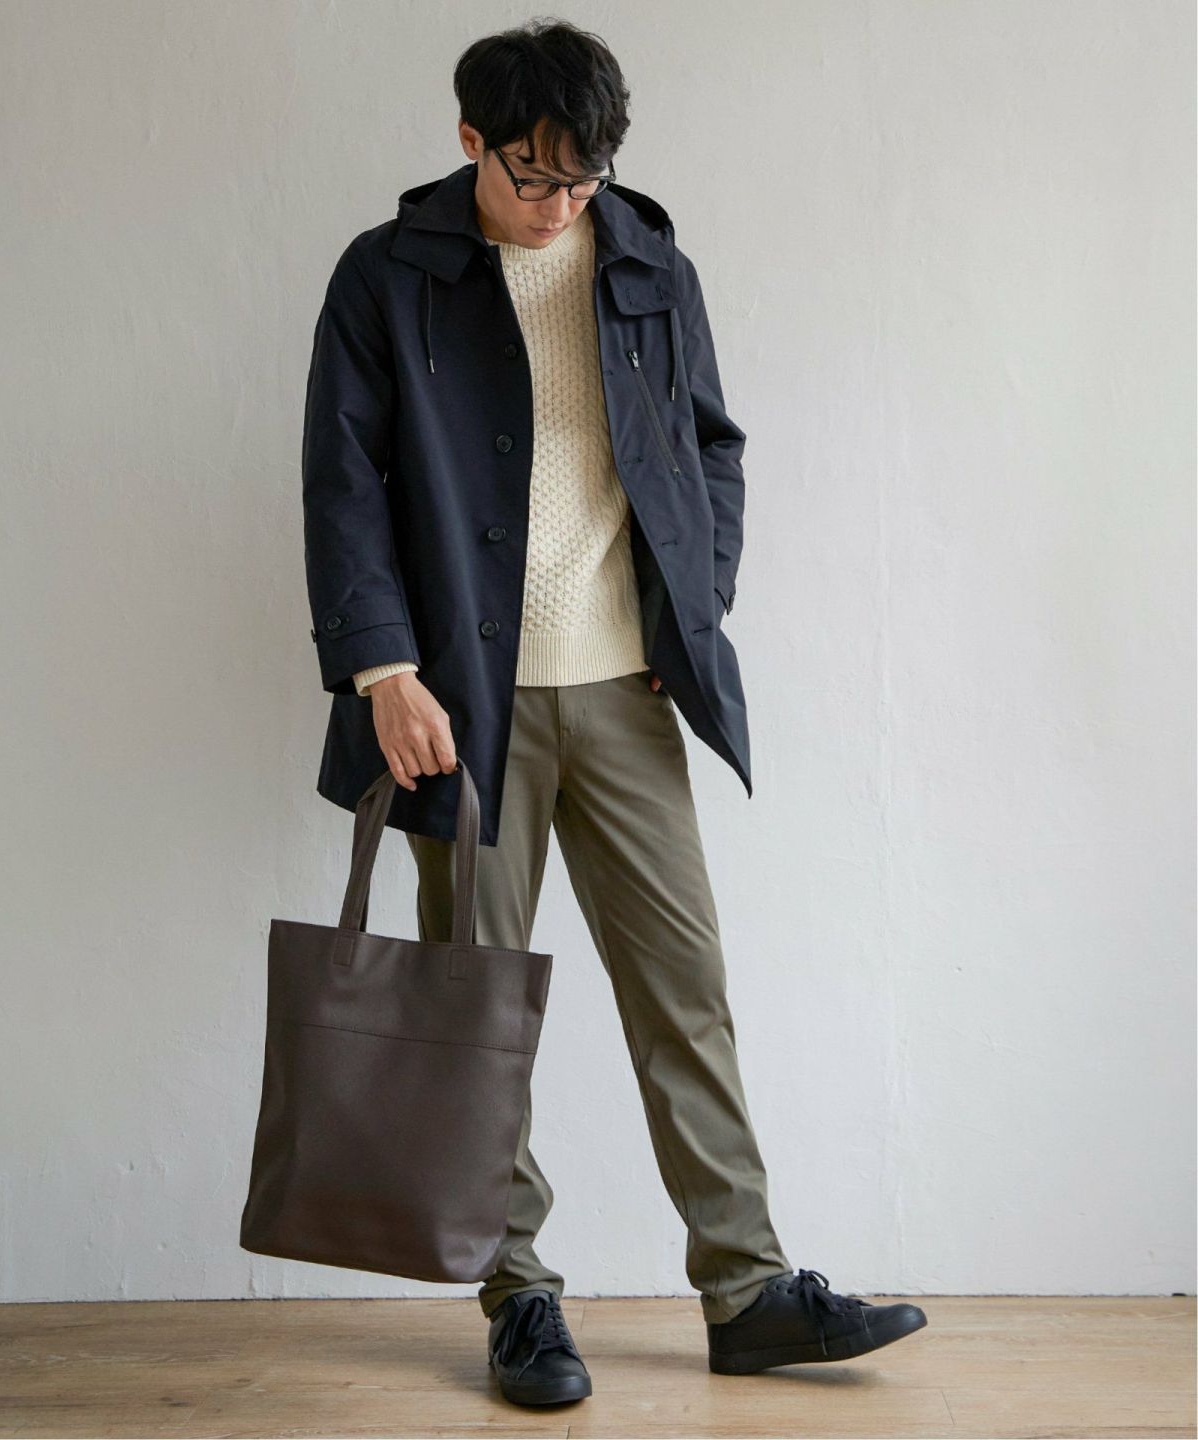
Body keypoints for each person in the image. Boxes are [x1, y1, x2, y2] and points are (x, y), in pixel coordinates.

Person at [301, 16, 927, 1409]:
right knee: (475, 1011)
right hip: (461, 710)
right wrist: (383, 670)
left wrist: (692, 605)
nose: (561, 203)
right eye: (535, 175)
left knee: (684, 994)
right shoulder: (389, 275)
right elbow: (342, 483)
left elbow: (711, 446)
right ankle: (518, 1295)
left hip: (627, 690)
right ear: (472, 141)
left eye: (583, 176)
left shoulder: (647, 261)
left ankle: (747, 1289)